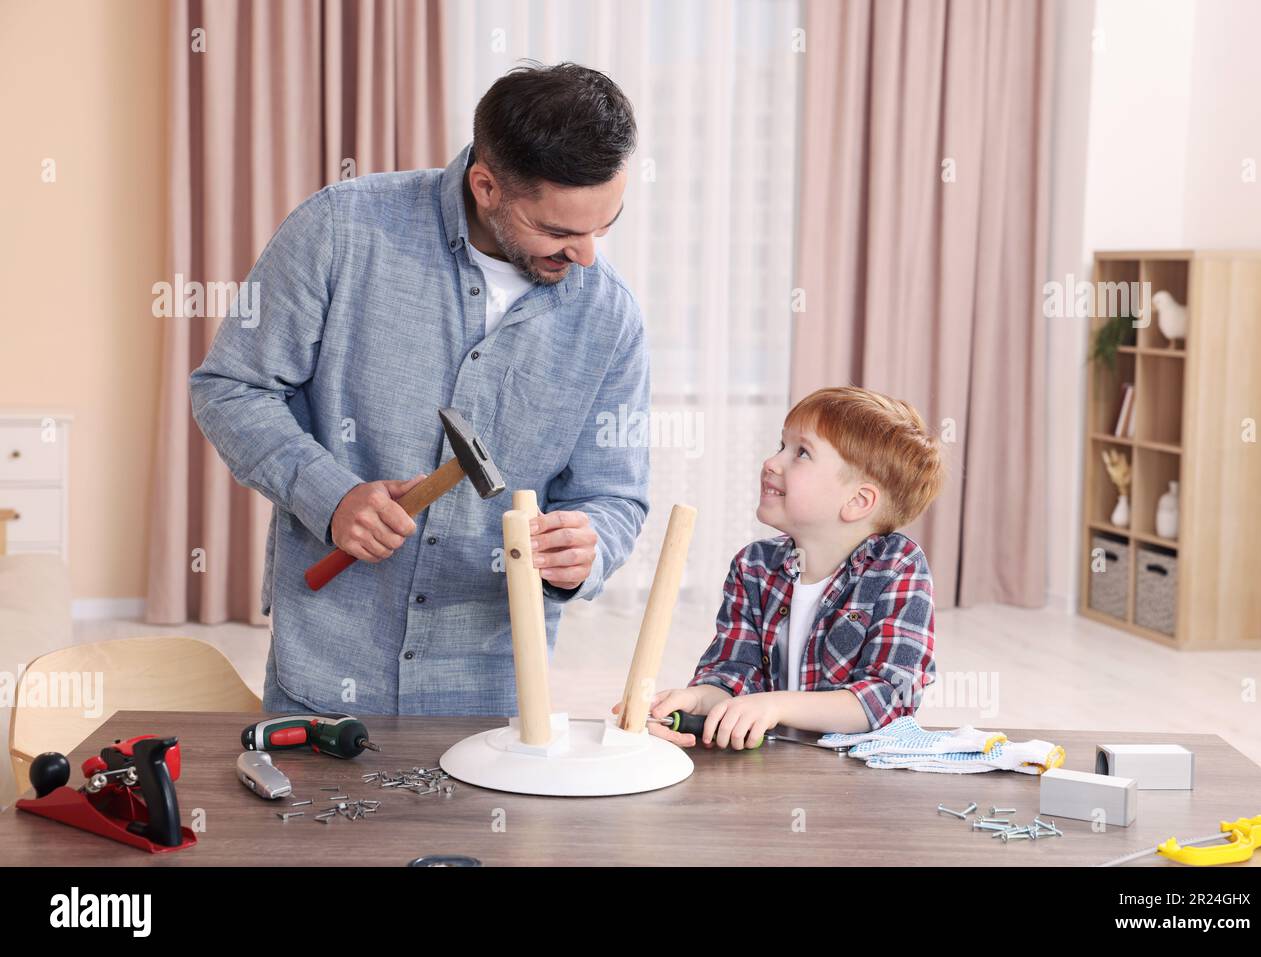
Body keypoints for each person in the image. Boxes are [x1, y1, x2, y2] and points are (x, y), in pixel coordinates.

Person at [190, 62, 649, 715]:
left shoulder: (610, 316)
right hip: (327, 664)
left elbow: (615, 494)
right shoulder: (339, 231)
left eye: (606, 225)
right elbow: (230, 388)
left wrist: (591, 543)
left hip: (493, 689)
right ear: (485, 186)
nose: (587, 257)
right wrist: (331, 495)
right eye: (559, 232)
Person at [614, 386, 944, 749]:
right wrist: (698, 700)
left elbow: (890, 699)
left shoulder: (897, 568)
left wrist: (775, 705)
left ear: (857, 501)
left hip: (854, 775)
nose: (771, 462)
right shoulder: (754, 566)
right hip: (770, 766)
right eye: (780, 446)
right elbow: (734, 674)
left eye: (801, 452)